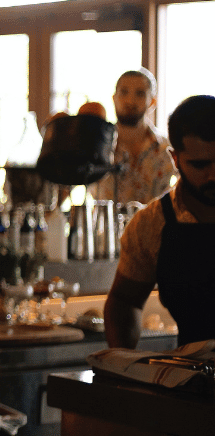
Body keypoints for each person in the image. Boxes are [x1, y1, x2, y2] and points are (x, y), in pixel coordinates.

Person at [104, 95, 215, 349]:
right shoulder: (151, 224)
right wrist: (123, 364)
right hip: (194, 376)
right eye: (200, 165)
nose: (213, 175)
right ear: (175, 160)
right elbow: (125, 301)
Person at [91, 68, 177, 205]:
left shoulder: (166, 149)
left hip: (156, 225)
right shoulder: (96, 146)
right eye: (124, 92)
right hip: (105, 226)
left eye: (140, 94)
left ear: (152, 102)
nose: (130, 101)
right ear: (114, 98)